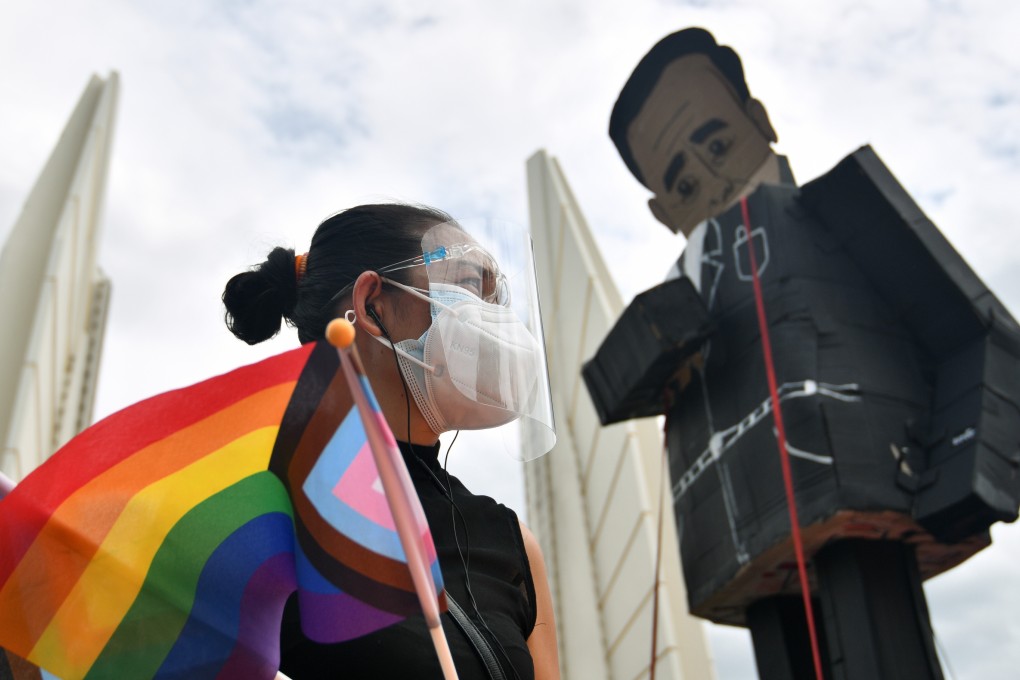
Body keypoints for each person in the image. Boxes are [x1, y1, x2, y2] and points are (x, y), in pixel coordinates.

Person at [222, 203, 560, 680]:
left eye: (495, 297)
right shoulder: (263, 509)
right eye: (467, 286)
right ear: (372, 305)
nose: (494, 318)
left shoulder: (512, 541)